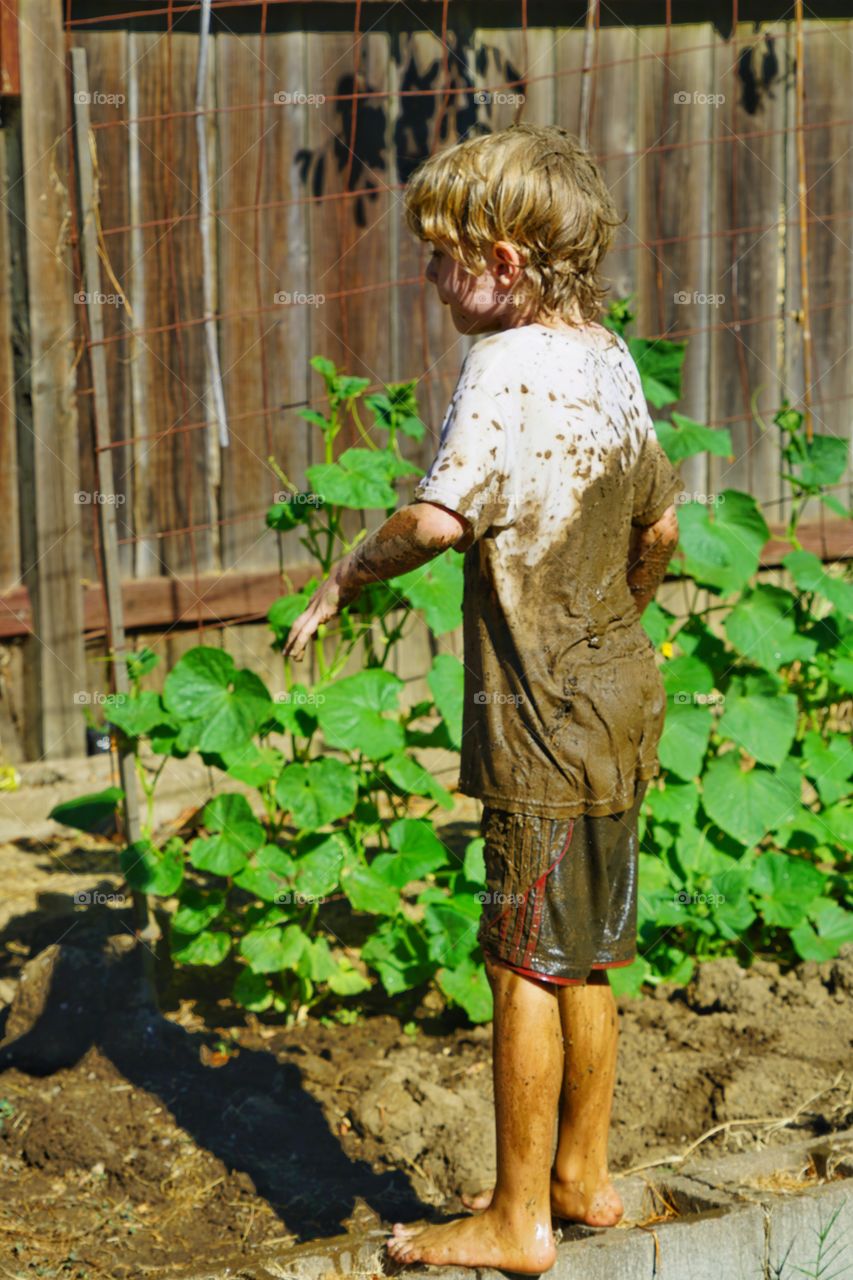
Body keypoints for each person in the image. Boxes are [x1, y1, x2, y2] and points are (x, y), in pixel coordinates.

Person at [283, 122, 684, 1274]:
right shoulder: (607, 357)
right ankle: (580, 1177)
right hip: (618, 694)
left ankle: (518, 1221)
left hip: (539, 722)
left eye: (443, 256)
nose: (428, 276)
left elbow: (436, 518)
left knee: (520, 960)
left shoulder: (503, 368)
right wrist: (622, 616)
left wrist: (346, 571)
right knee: (589, 952)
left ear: (503, 264)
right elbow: (658, 524)